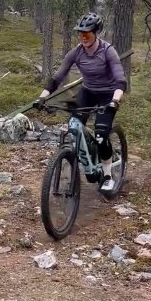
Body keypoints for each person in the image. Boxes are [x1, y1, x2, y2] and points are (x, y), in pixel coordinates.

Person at [35, 12, 126, 192]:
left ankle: (107, 175)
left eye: (87, 33)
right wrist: (42, 97)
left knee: (101, 135)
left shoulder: (108, 51)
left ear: (96, 32)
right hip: (88, 92)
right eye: (80, 33)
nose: (83, 36)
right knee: (74, 126)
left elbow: (120, 81)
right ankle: (89, 160)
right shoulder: (76, 52)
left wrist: (115, 101)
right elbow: (57, 78)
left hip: (108, 95)